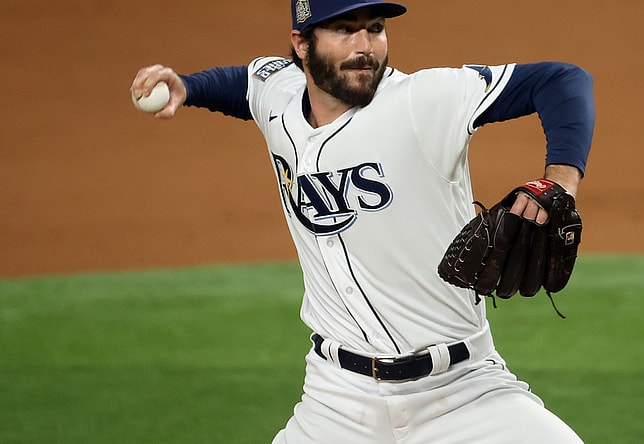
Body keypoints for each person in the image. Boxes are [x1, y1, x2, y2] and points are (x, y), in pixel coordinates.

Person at [130, 0, 594, 442]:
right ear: (301, 44)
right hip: (336, 403)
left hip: (462, 392)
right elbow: (245, 85)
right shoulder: (280, 94)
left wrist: (559, 186)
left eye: (374, 28)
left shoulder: (422, 100)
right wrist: (187, 87)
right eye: (343, 29)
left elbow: (561, 81)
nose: (364, 46)